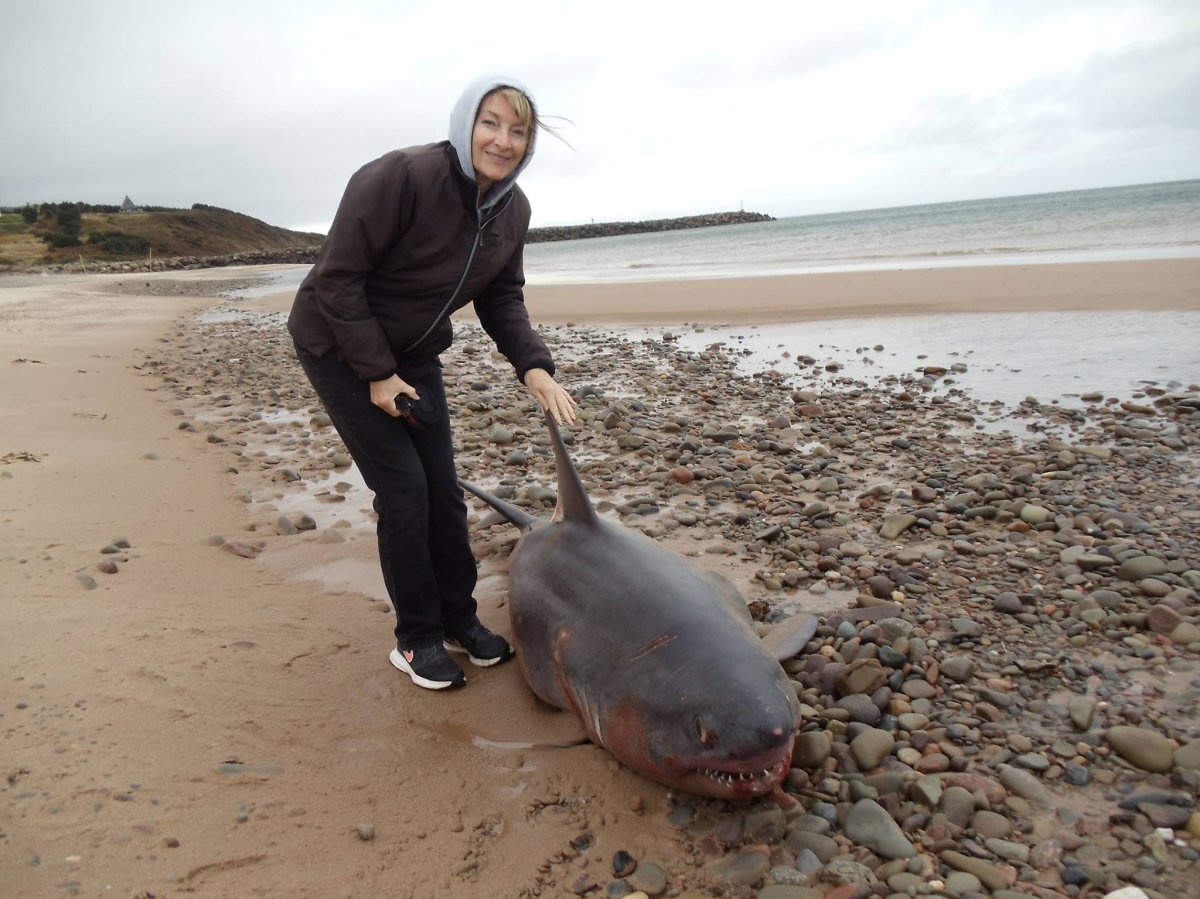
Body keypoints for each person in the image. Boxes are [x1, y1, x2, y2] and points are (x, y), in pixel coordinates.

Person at [287, 75, 577, 691]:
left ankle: (458, 621)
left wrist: (534, 366)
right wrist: (375, 373)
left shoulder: (513, 210)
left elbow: (502, 298)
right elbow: (337, 279)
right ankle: (416, 639)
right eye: (490, 122)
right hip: (338, 345)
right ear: (465, 121)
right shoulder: (401, 176)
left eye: (518, 131)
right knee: (405, 492)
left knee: (443, 493)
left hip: (414, 357)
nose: (502, 140)